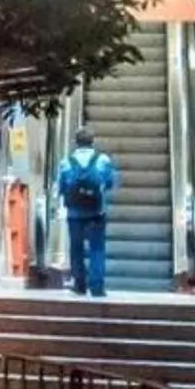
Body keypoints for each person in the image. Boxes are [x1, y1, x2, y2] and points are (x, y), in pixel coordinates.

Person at [58, 127, 120, 298]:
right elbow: (110, 183)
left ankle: (79, 284)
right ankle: (97, 287)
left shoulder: (66, 162)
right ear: (93, 142)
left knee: (76, 248)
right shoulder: (103, 160)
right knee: (97, 248)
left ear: (76, 142)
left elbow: (61, 187)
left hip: (74, 213)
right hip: (96, 211)